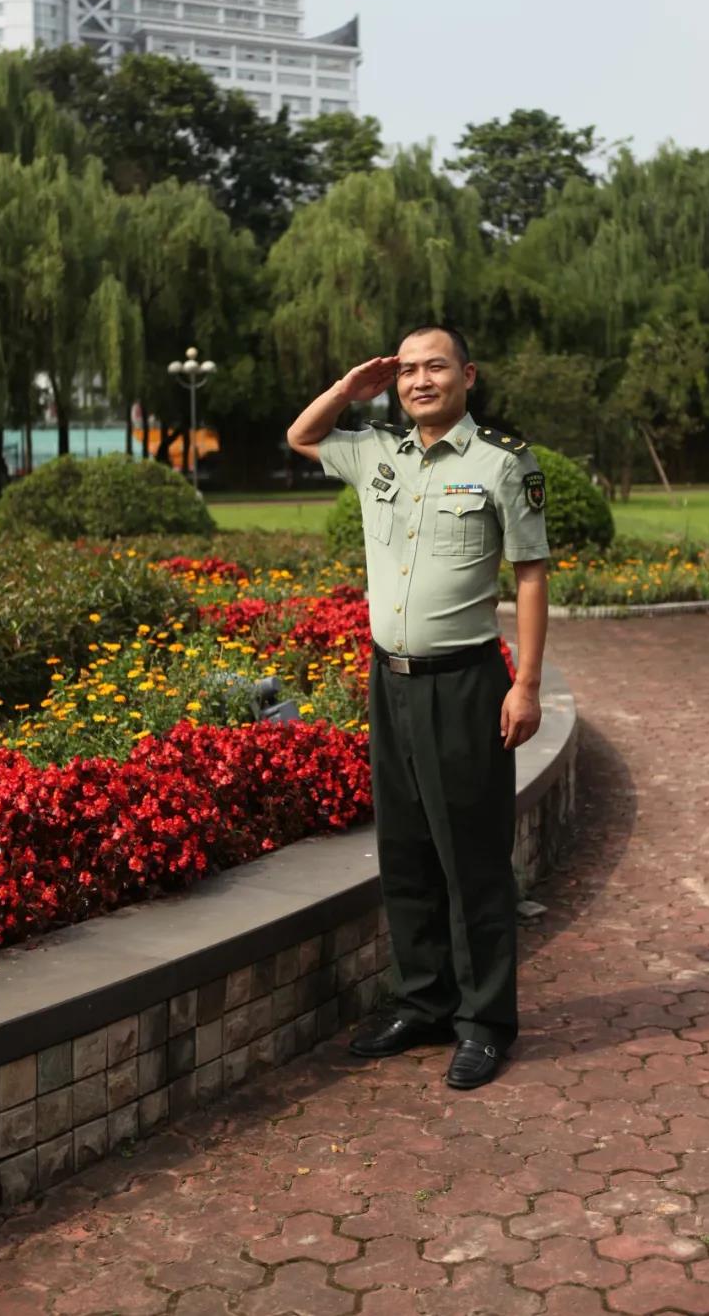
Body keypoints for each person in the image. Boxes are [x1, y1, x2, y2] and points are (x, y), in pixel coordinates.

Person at [286, 325, 549, 1088]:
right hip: (390, 681)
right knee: (405, 851)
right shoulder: (377, 450)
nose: (420, 381)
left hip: (465, 683)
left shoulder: (503, 461)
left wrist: (527, 684)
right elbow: (301, 436)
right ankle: (424, 1002)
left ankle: (485, 1022)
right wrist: (348, 389)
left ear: (468, 375)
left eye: (435, 367)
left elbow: (530, 574)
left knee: (472, 858)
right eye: (406, 370)